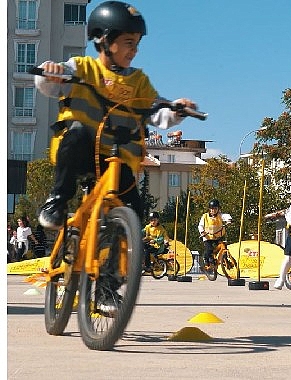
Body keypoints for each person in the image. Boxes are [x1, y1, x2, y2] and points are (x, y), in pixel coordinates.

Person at [33, 1, 197, 314]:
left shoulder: (139, 82)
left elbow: (158, 111)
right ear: (103, 40)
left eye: (137, 44)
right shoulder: (82, 67)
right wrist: (51, 73)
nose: (133, 50)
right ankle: (56, 202)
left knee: (130, 215)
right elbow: (49, 84)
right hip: (81, 153)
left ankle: (107, 288)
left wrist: (176, 108)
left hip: (117, 161)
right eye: (127, 43)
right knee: (78, 131)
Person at [198, 199, 228, 269]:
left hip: (217, 236)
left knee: (224, 245)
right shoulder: (205, 216)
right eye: (211, 209)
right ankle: (206, 259)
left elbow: (226, 216)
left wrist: (229, 220)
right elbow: (200, 225)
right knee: (209, 249)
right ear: (209, 209)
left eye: (215, 209)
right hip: (208, 237)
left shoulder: (220, 215)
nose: (213, 210)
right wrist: (202, 232)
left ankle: (224, 259)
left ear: (218, 209)